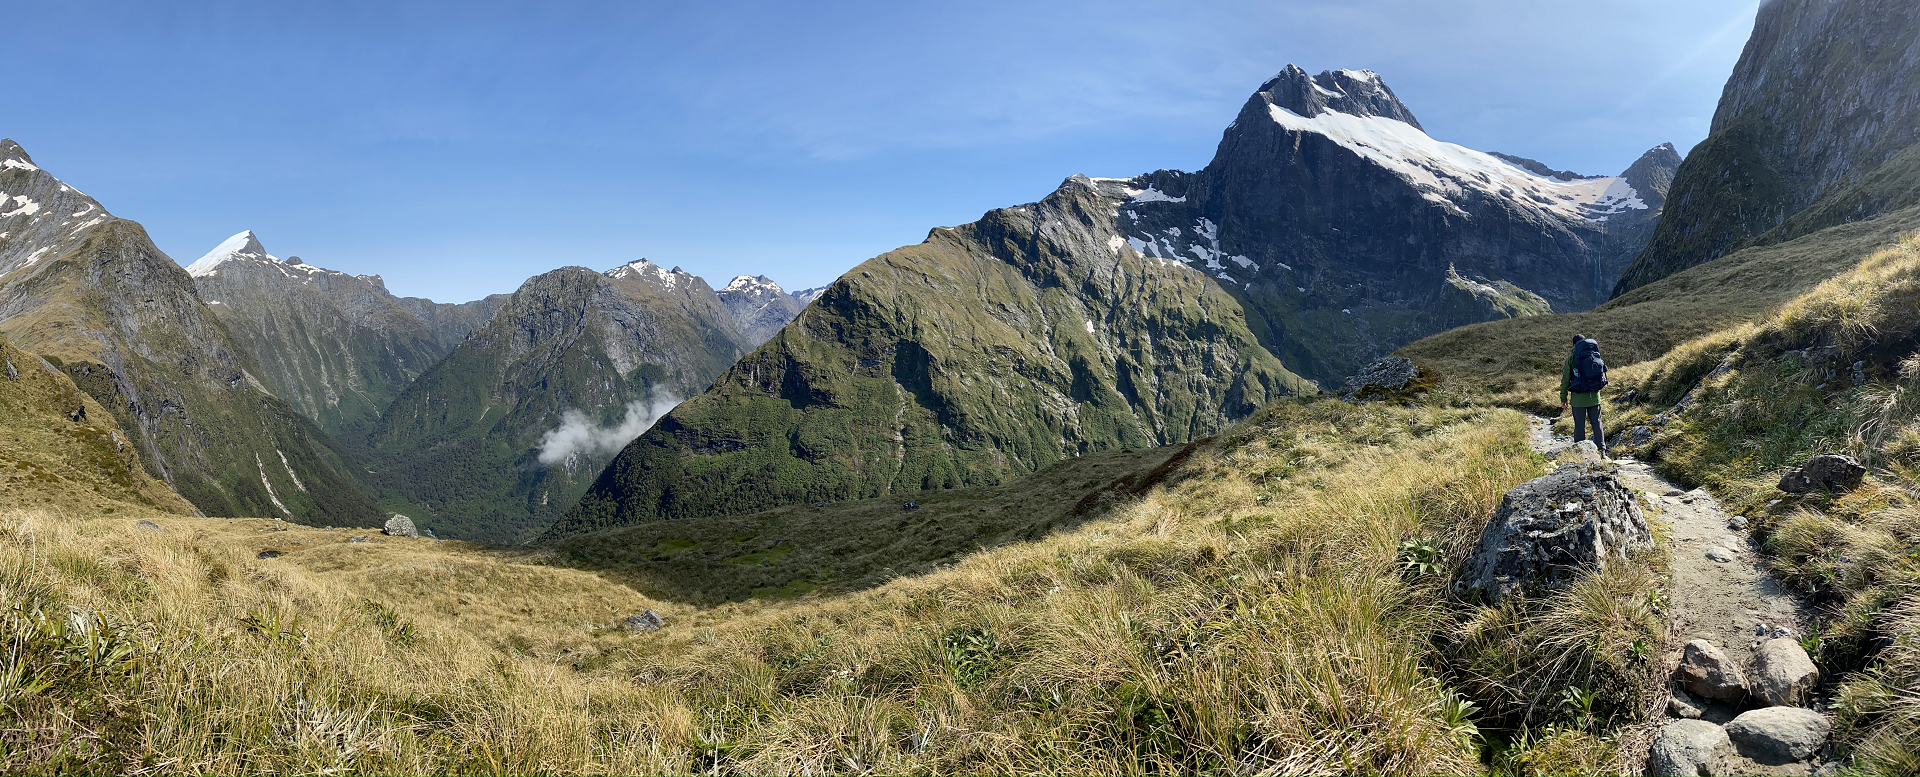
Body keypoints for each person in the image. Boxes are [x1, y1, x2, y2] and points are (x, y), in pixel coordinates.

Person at [1561, 334, 1608, 453]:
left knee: (1579, 425)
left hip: (1578, 400)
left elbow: (1565, 380)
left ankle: (1580, 452)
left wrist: (1563, 398)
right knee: (1597, 423)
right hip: (1595, 397)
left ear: (1573, 344)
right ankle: (1601, 451)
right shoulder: (1595, 355)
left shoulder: (1571, 359)